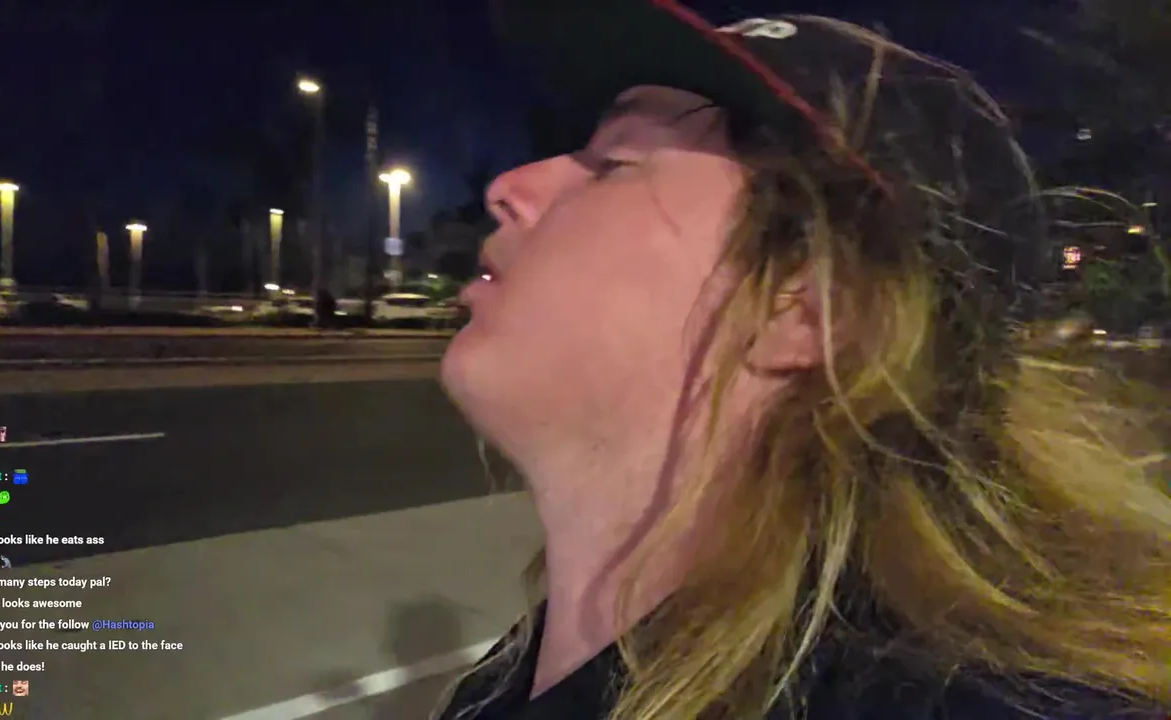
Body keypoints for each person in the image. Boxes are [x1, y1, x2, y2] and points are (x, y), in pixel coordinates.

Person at [436, 1, 1171, 719]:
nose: (508, 188)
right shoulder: (498, 688)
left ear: (809, 306)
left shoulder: (970, 702)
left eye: (615, 163)